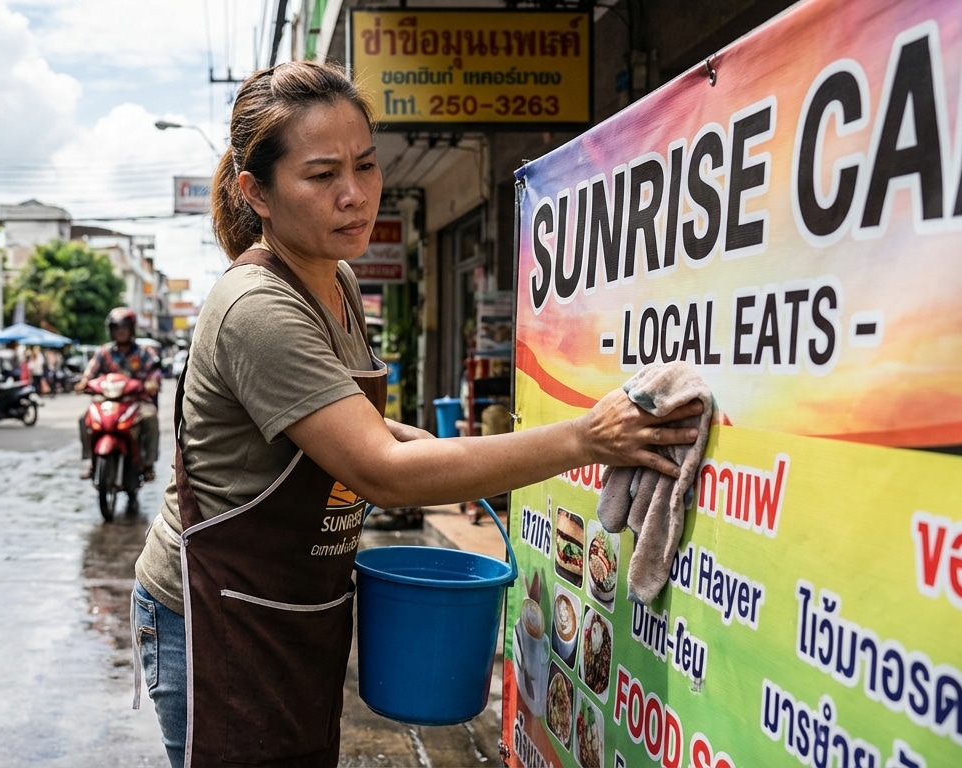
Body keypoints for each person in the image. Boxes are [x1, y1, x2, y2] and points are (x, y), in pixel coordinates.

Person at [129, 61, 703, 768]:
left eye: (365, 166)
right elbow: (382, 471)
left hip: (296, 607)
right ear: (258, 192)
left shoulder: (334, 279)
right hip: (214, 611)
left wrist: (426, 445)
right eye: (320, 176)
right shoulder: (257, 309)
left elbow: (339, 428)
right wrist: (587, 436)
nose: (354, 195)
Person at [77, 307, 161, 481]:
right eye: (116, 327)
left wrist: (152, 383)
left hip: (136, 401)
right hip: (107, 400)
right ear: (111, 330)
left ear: (131, 329)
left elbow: (155, 373)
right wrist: (83, 382)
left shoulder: (145, 352)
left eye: (124, 327)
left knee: (151, 417)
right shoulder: (103, 352)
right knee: (83, 418)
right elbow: (90, 372)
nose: (120, 331)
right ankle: (91, 461)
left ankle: (148, 464)